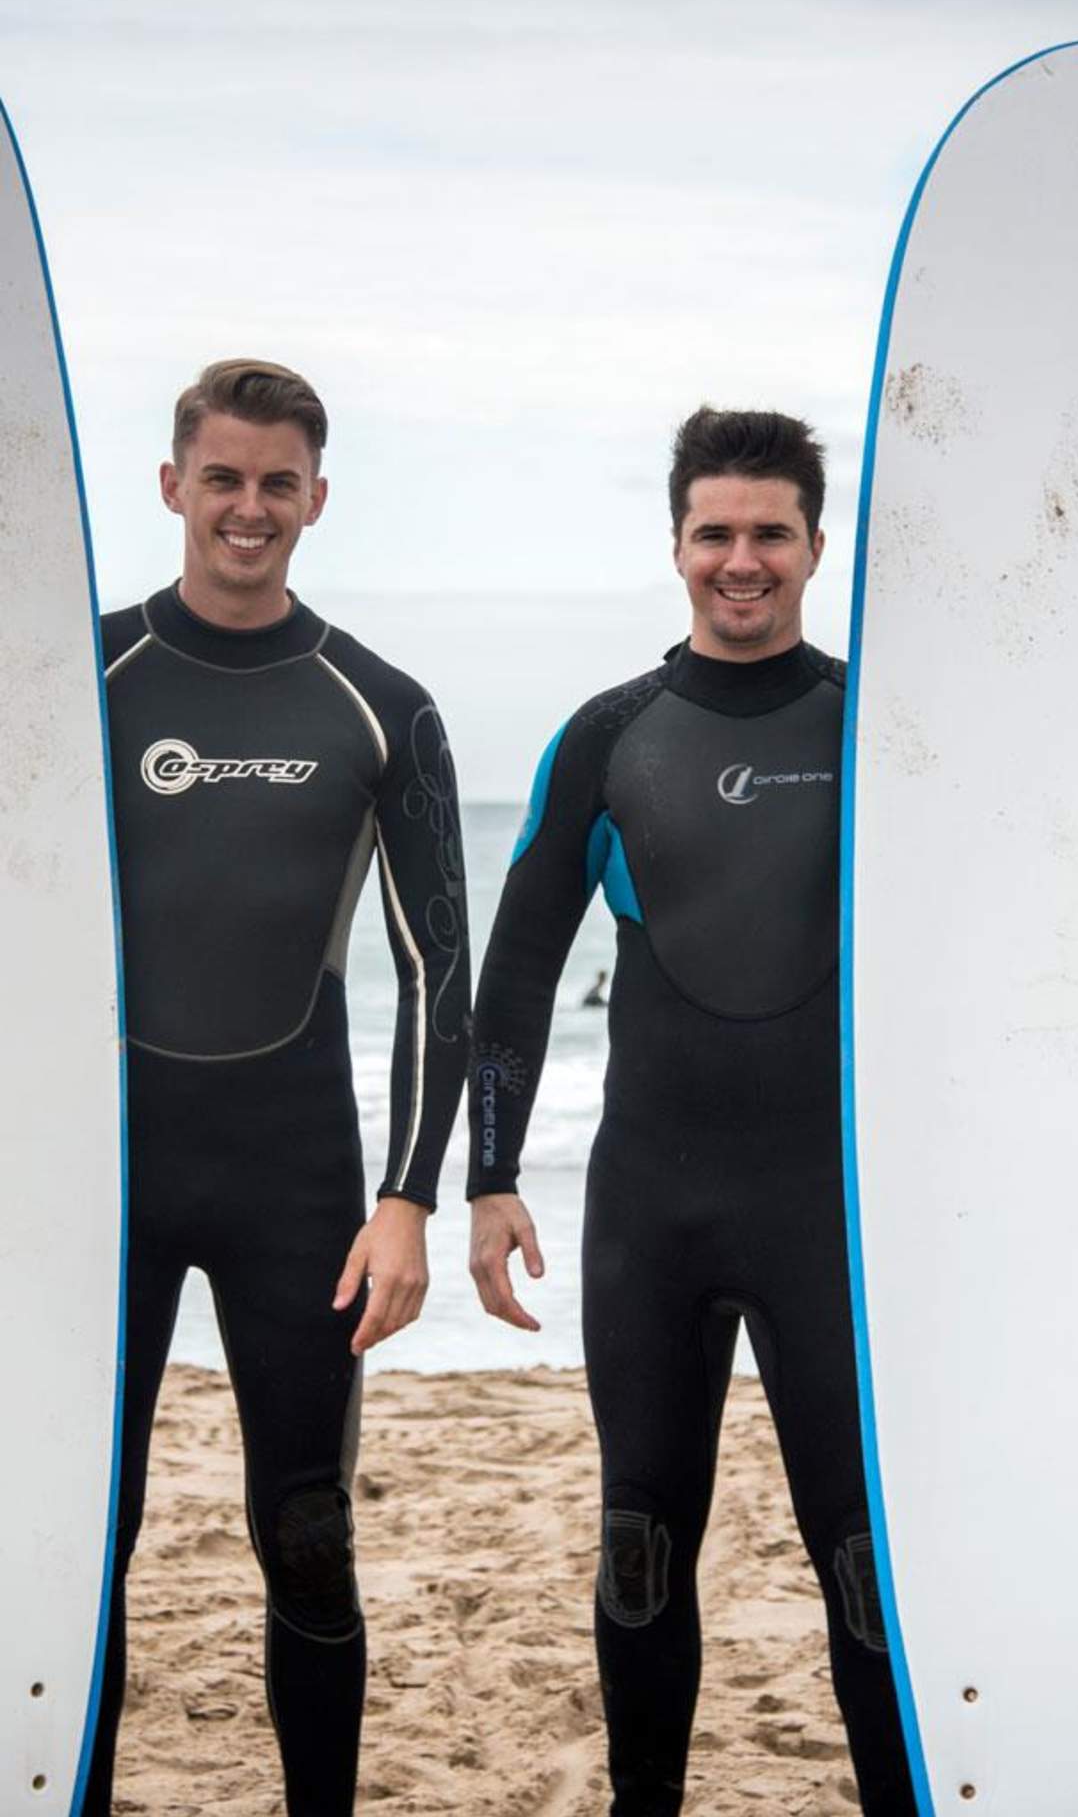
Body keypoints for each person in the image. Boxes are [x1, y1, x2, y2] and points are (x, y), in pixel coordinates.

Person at [466, 409, 916, 1815]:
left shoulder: (882, 728)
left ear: (815, 547)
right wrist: (487, 1175)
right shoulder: (608, 738)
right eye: (715, 531)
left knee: (863, 1555)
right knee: (642, 1539)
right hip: (651, 1205)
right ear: (676, 546)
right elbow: (520, 964)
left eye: (769, 532)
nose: (742, 558)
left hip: (829, 1217)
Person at [86, 360, 469, 1816]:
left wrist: (409, 1200)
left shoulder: (379, 707)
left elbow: (440, 971)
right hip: (101, 1177)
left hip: (300, 1183)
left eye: (279, 483)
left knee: (306, 1533)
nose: (250, 509)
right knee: (79, 1538)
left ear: (316, 499)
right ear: (174, 485)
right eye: (225, 478)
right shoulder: (74, 676)